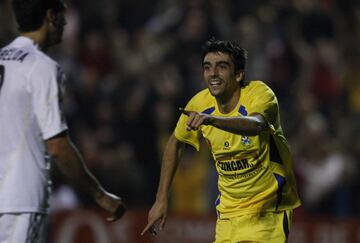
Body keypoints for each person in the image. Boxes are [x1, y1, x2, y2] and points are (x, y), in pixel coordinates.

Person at [142, 38, 301, 242]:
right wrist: (161, 199)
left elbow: (255, 124)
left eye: (222, 67)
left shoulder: (260, 94)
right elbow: (175, 142)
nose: (213, 74)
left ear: (239, 74)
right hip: (227, 216)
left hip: (268, 212)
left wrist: (213, 120)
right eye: (207, 67)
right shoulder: (199, 103)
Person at [0, 0, 125, 242]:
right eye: (62, 15)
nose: (66, 22)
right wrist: (99, 195)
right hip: (20, 198)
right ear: (50, 16)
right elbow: (58, 147)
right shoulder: (42, 67)